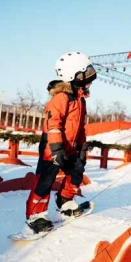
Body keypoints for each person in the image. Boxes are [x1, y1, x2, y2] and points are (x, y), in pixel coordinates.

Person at [25, 51, 96, 234]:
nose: (89, 79)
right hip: (52, 144)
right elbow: (53, 124)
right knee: (46, 178)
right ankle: (36, 215)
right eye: (86, 74)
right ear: (73, 75)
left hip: (71, 146)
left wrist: (81, 146)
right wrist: (56, 148)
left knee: (77, 171)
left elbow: (80, 126)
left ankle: (65, 201)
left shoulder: (80, 99)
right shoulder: (61, 98)